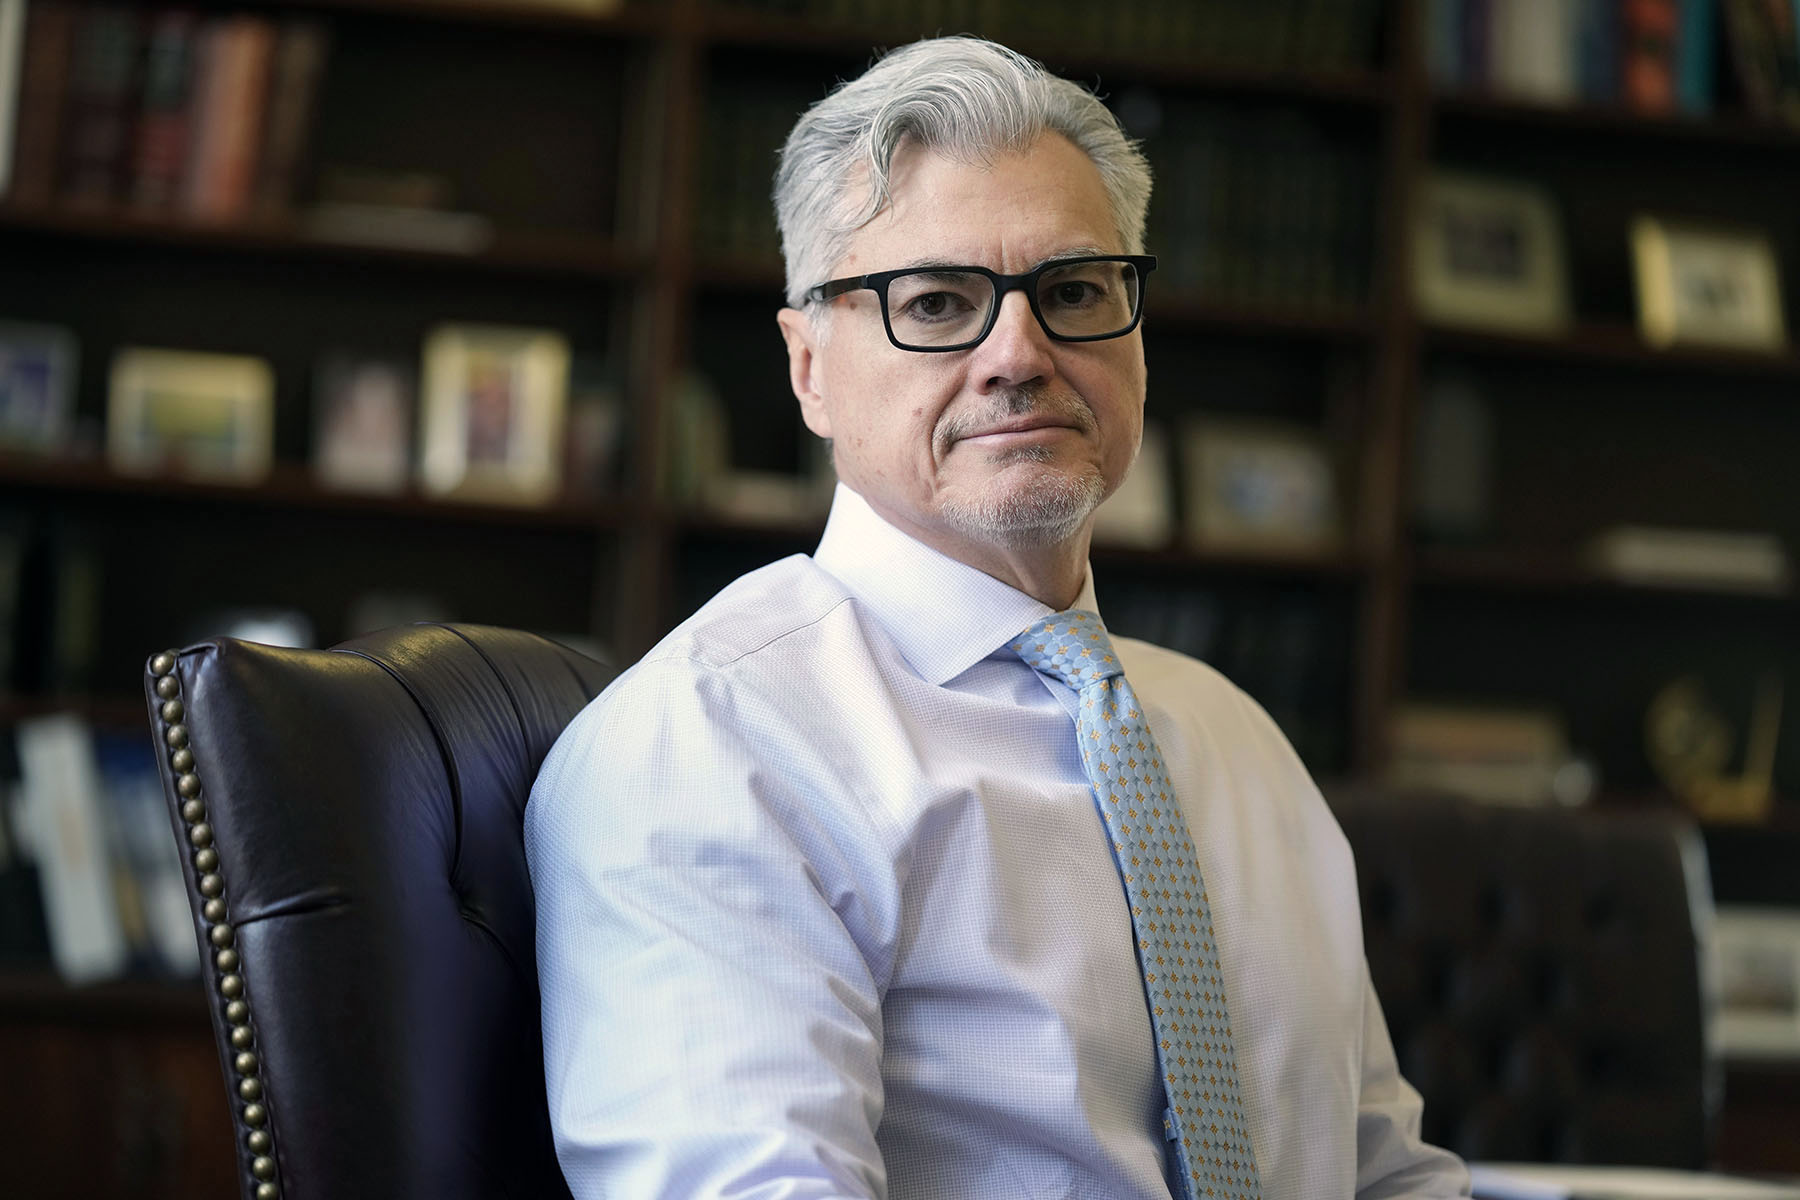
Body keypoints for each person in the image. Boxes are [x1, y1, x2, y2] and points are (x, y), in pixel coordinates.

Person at [526, 35, 1470, 1200]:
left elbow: (1387, 1174)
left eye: (1073, 292)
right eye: (935, 302)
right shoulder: (716, 748)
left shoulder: (1237, 741)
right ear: (808, 366)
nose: (1017, 355)